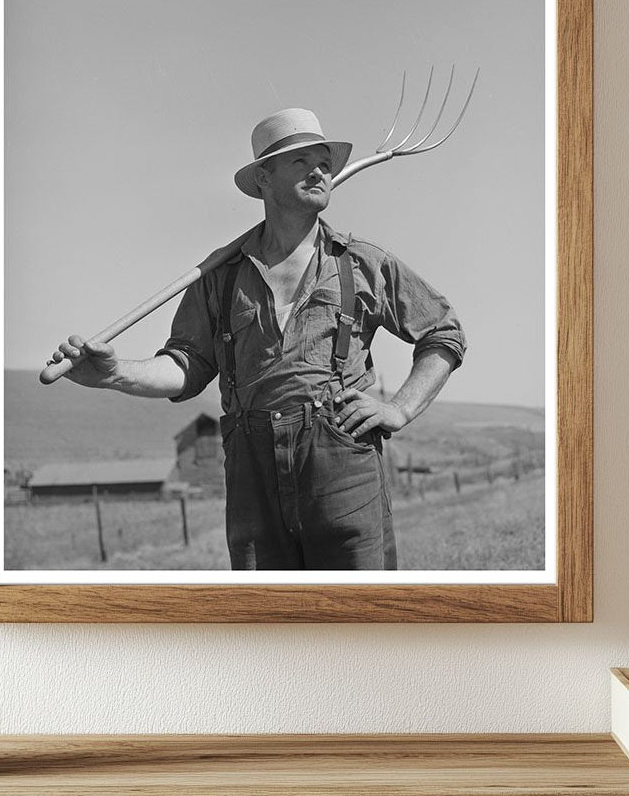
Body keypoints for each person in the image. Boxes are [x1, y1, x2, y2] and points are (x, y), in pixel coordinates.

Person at [49, 108, 465, 570]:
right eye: (299, 161)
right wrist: (115, 374)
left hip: (341, 458)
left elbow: (442, 332)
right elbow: (186, 366)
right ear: (263, 179)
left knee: (359, 617)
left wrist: (400, 407)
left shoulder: (362, 264)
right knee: (267, 617)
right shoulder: (218, 276)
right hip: (251, 466)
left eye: (324, 161)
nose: (318, 171)